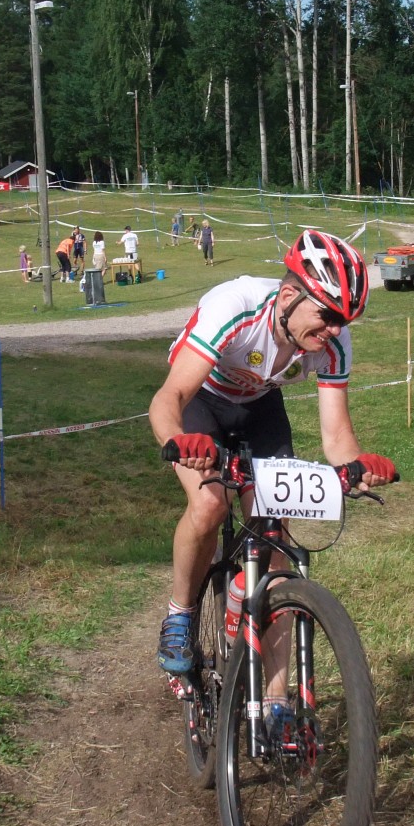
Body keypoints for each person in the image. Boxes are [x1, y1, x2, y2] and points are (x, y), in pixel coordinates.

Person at [149, 229, 397, 678]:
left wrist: (357, 468)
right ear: (287, 297)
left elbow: (337, 435)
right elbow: (171, 396)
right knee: (209, 505)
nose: (336, 330)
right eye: (328, 315)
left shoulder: (333, 341)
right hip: (201, 399)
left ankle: (278, 699)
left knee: (274, 539)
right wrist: (178, 440)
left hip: (260, 406)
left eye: (345, 319)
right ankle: (180, 615)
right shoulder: (235, 307)